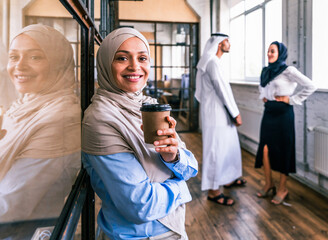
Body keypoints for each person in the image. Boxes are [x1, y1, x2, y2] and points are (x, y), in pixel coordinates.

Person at [81, 27, 198, 240]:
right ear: (106, 64)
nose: (135, 66)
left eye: (142, 58)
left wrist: (173, 157)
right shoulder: (100, 119)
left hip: (173, 227)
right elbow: (141, 206)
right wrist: (181, 188)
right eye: (122, 58)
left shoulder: (148, 105)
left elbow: (191, 168)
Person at [0, 24, 81, 223]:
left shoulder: (60, 118)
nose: (19, 66)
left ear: (58, 63)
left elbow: (9, 206)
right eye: (13, 56)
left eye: (35, 57)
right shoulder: (23, 104)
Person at [255, 41, 317, 204]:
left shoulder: (288, 70)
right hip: (269, 113)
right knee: (265, 150)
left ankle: (283, 188)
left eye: (272, 51)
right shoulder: (266, 71)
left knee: (283, 150)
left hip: (283, 114)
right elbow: (262, 87)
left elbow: (311, 86)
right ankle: (269, 183)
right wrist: (263, 96)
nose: (269, 54)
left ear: (280, 53)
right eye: (268, 51)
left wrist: (292, 99)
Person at [195, 33, 246, 206]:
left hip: (219, 112)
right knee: (216, 150)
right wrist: (235, 113)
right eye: (227, 41)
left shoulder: (211, 61)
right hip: (216, 114)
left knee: (227, 146)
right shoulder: (212, 62)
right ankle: (213, 191)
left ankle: (228, 178)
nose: (229, 44)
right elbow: (222, 90)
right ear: (219, 44)